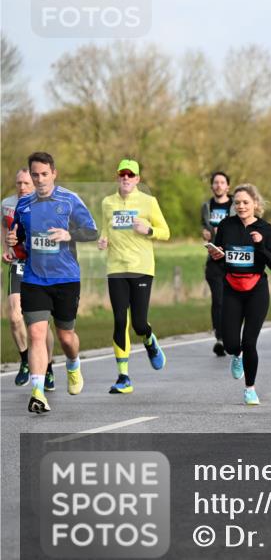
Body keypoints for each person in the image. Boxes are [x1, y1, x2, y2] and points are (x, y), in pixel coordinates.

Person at [7, 151, 98, 413]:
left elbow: (91, 231)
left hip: (66, 278)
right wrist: (13, 242)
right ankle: (37, 393)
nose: (39, 179)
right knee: (36, 334)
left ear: (54, 173)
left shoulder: (69, 200)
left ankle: (72, 364)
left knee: (66, 336)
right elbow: (20, 237)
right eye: (34, 174)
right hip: (34, 279)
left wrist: (68, 234)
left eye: (44, 174)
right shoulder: (23, 205)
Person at [97, 159, 170, 394]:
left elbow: (165, 232)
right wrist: (103, 239)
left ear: (138, 179)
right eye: (122, 174)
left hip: (141, 267)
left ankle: (149, 340)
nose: (126, 178)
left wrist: (148, 230)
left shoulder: (149, 202)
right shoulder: (107, 203)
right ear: (117, 177)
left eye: (131, 174)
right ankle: (124, 377)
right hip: (116, 268)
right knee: (120, 320)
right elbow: (105, 229)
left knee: (138, 324)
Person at [209, 184, 271, 405]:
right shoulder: (226, 226)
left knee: (249, 342)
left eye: (245, 202)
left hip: (256, 289)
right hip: (232, 288)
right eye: (237, 203)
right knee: (231, 343)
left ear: (255, 204)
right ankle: (236, 355)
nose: (241, 206)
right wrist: (216, 255)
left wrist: (259, 245)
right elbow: (220, 257)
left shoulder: (265, 228)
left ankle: (250, 388)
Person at [3, 168, 54, 389]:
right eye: (19, 183)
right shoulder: (7, 204)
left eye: (26, 183)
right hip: (19, 264)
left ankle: (48, 366)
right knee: (14, 316)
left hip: (41, 267)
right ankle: (25, 360)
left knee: (40, 322)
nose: (22, 187)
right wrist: (5, 248)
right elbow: (4, 227)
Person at [201, 171, 234, 356]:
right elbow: (204, 228)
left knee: (233, 301)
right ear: (212, 186)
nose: (219, 185)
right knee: (218, 300)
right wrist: (206, 233)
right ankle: (220, 339)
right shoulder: (206, 206)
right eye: (216, 182)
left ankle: (232, 334)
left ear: (228, 186)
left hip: (232, 259)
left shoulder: (235, 206)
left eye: (222, 182)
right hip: (214, 260)